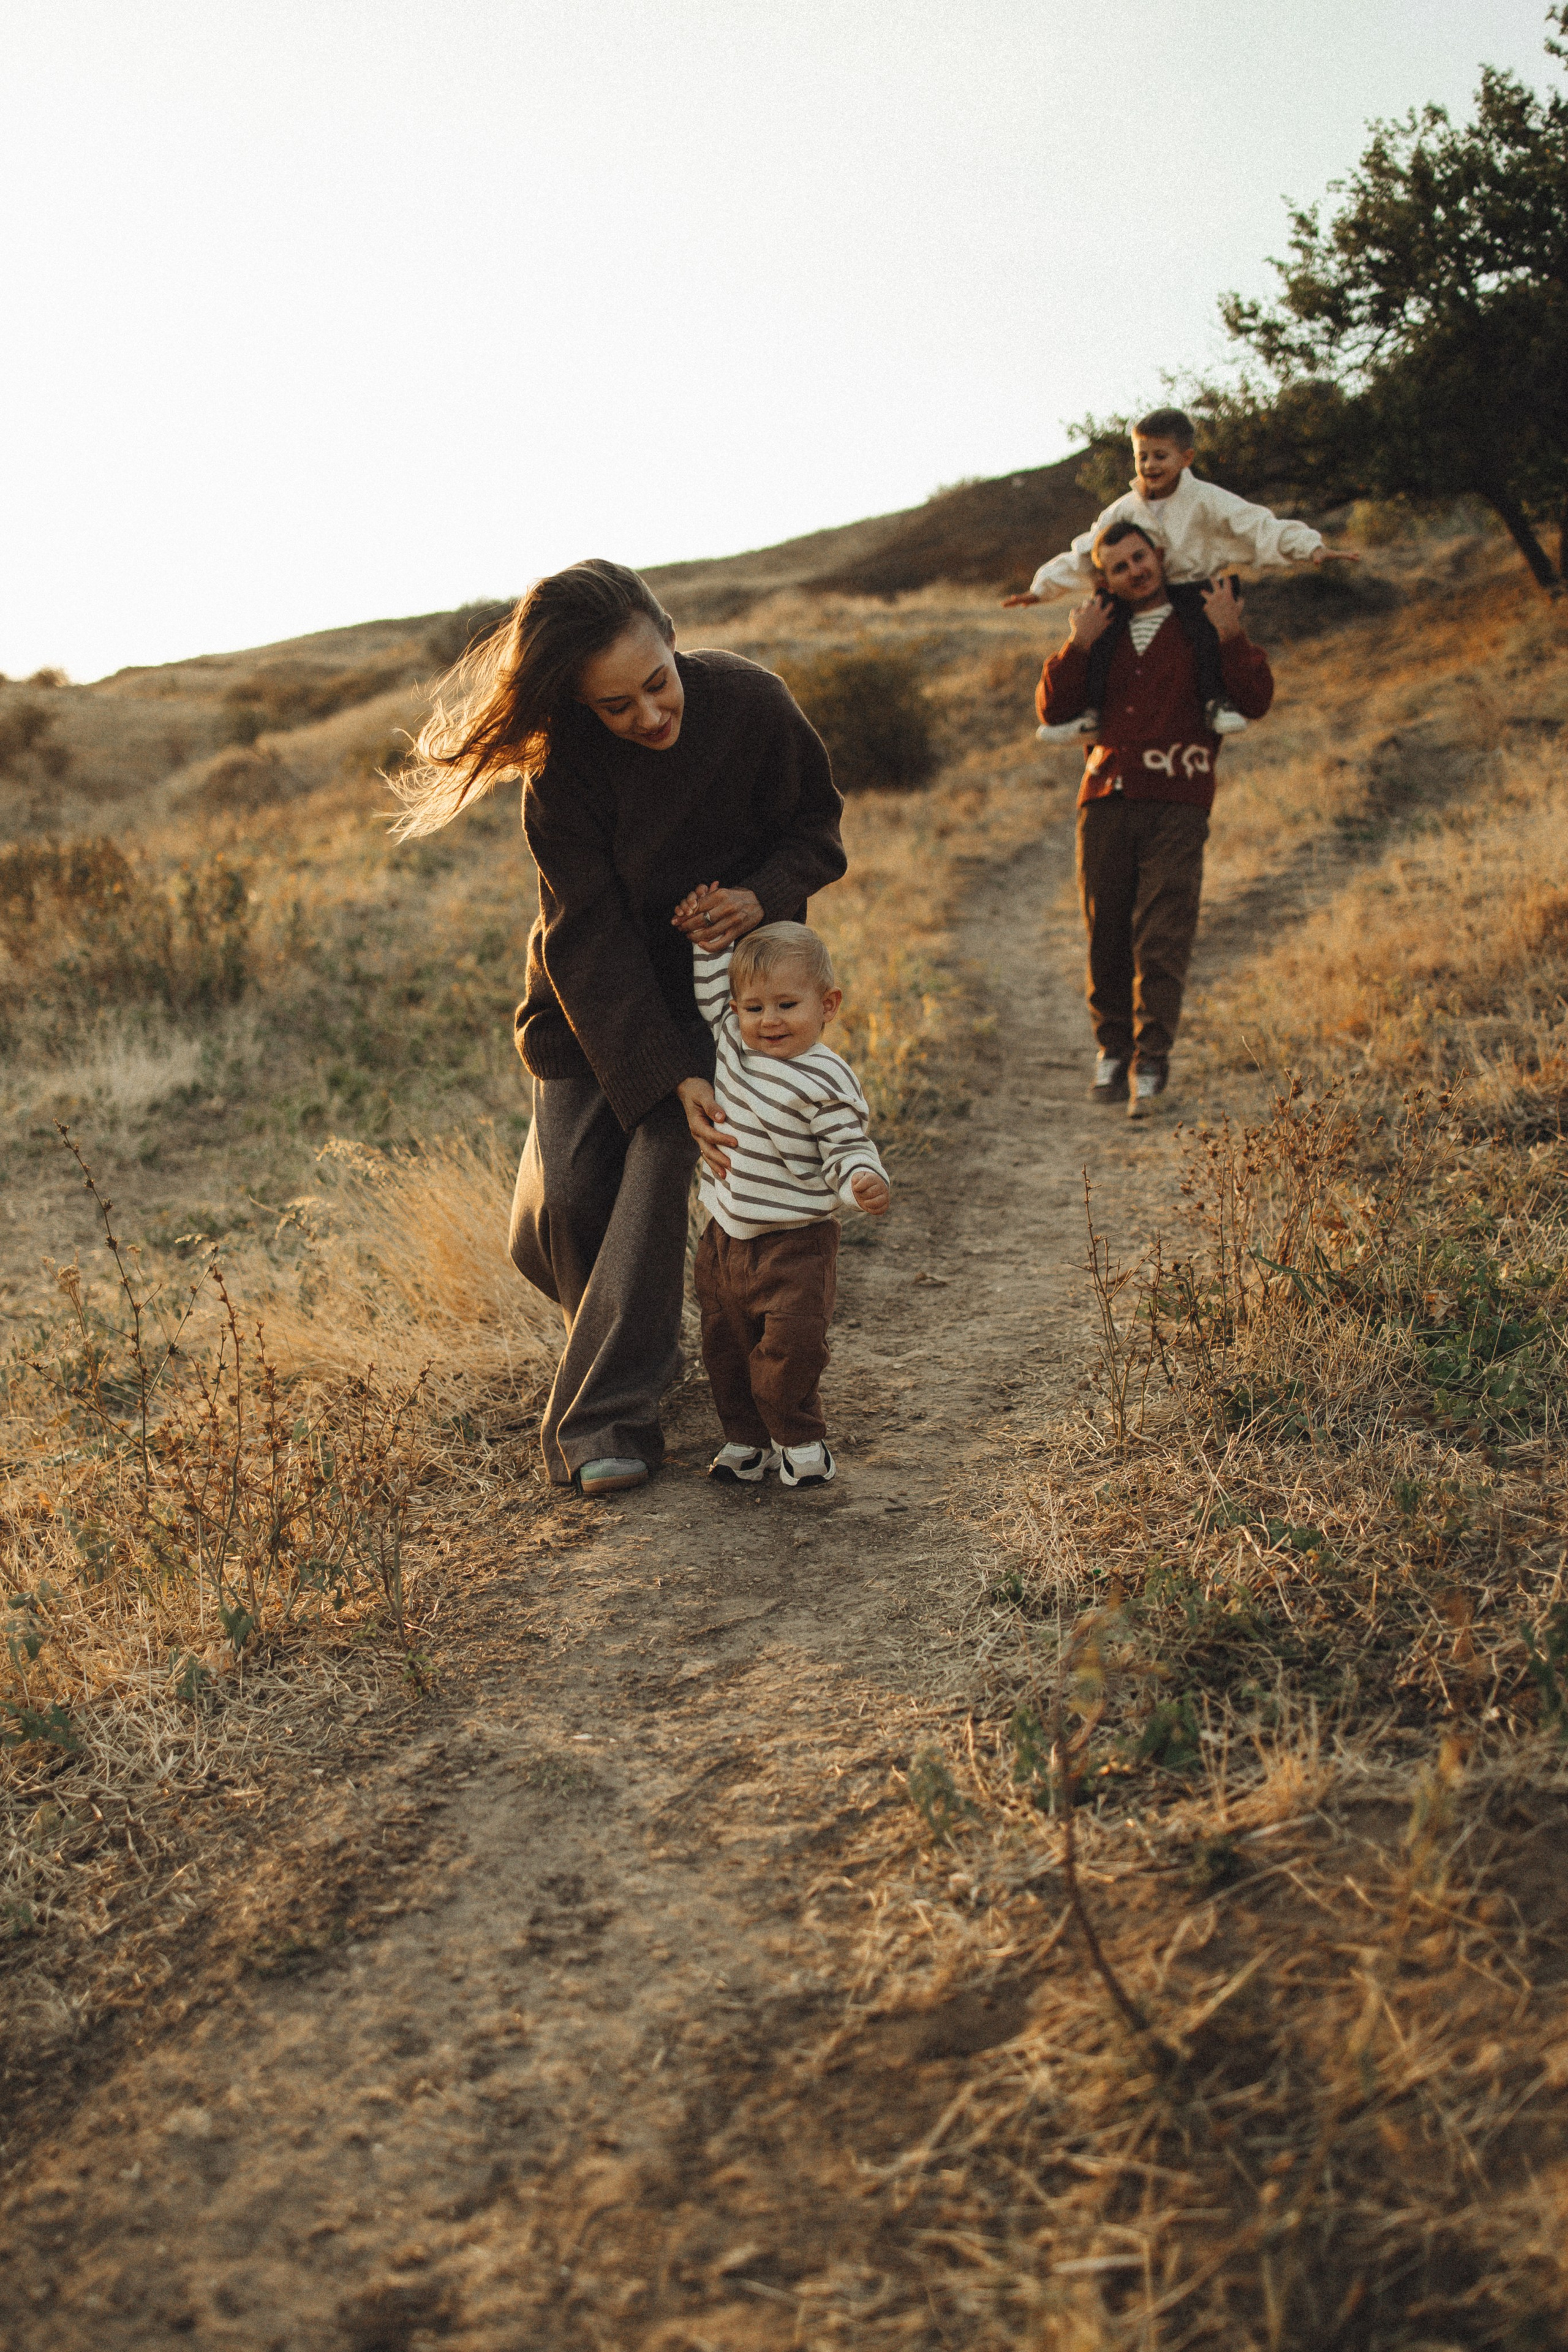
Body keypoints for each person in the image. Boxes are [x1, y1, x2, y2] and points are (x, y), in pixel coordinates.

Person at [390, 559, 845, 1498]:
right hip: (588, 1001)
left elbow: (817, 829)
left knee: (666, 1156)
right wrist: (656, 1066)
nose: (648, 715)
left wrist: (761, 896)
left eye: (657, 683)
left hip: (723, 998)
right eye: (615, 705)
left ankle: (606, 1420)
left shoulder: (754, 704)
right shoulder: (561, 774)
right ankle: (619, 1333)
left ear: (673, 638)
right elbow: (586, 938)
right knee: (560, 1219)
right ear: (575, 705)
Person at [1036, 519, 1275, 1116]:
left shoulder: (1200, 620)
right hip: (1106, 797)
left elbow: (1256, 700)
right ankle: (1112, 1050)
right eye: (1119, 567)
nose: (1134, 571)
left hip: (1179, 796)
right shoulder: (1102, 629)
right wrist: (1078, 643)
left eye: (1140, 558)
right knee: (1106, 928)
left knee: (1163, 931)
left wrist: (1230, 634)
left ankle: (1153, 1059)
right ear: (1106, 579)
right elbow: (1052, 707)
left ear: (1159, 556)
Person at [676, 908, 889, 1489]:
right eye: (755, 1007)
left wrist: (860, 1182)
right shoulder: (729, 1043)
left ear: (828, 1005)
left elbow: (847, 1144)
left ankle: (799, 1439)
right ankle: (746, 1440)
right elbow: (712, 987)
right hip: (724, 1236)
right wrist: (705, 937)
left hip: (796, 1242)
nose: (768, 1020)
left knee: (790, 1349)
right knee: (724, 1346)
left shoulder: (826, 1078)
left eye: (787, 1005)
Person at [1006, 406, 1355, 740]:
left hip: (1194, 587)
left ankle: (1215, 702)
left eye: (1160, 456)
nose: (1149, 465)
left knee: (1204, 636)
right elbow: (1087, 551)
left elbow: (1258, 525)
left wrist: (1311, 548)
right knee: (1104, 629)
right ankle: (1089, 714)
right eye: (1142, 456)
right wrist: (1042, 588)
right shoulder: (1125, 508)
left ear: (1186, 458)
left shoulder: (1207, 499)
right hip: (1137, 592)